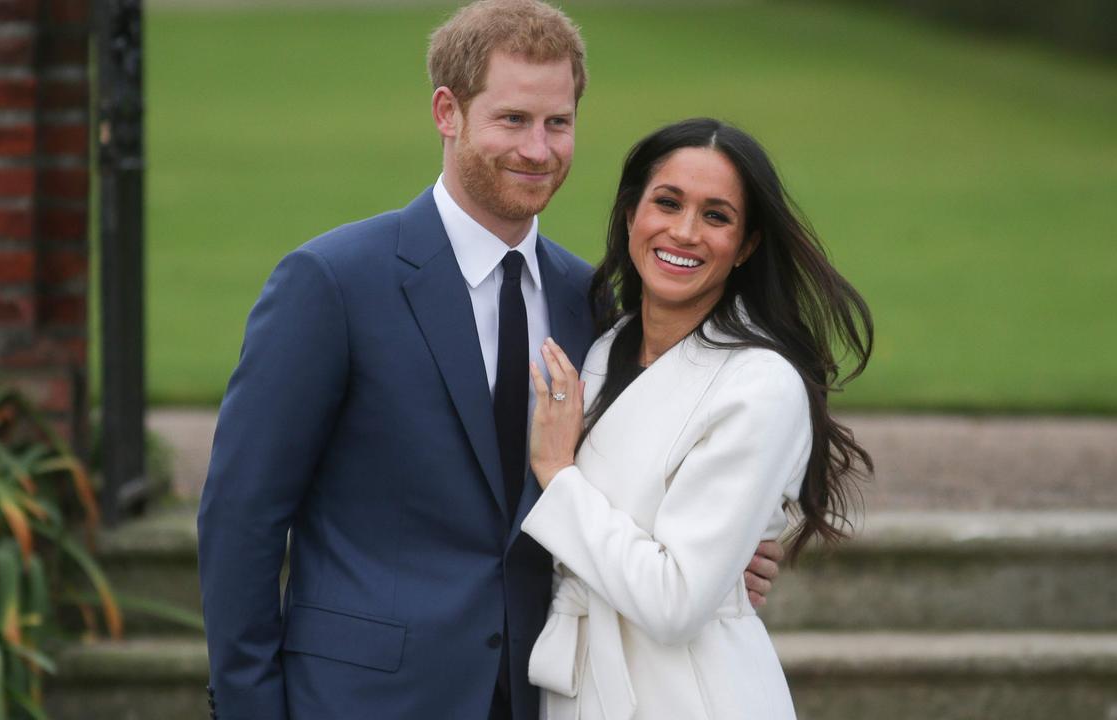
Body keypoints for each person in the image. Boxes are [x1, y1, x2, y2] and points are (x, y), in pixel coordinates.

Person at [196, 4, 782, 719]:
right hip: (363, 698)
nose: (538, 149)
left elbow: (627, 482)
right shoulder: (332, 283)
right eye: (512, 120)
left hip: (544, 693)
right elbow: (242, 518)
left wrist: (722, 559)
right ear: (448, 111)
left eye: (557, 123)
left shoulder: (592, 303)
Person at [521, 118, 874, 719]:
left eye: (717, 216)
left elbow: (676, 601)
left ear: (747, 244)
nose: (684, 233)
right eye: (667, 203)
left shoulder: (760, 385)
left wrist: (558, 474)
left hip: (692, 694)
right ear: (631, 214)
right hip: (581, 687)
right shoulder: (606, 347)